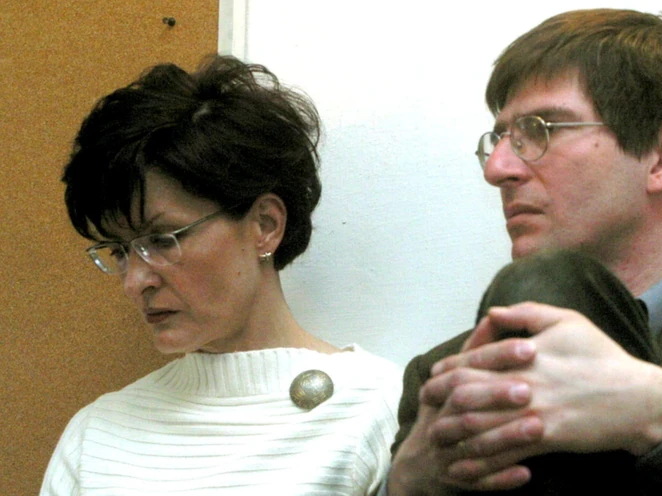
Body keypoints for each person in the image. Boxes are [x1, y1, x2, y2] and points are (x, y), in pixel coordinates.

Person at [386, 8, 662, 495]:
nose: (497, 169)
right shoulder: (445, 374)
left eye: (540, 129)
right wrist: (404, 483)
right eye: (500, 139)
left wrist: (660, 412)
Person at [41, 55, 401, 496]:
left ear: (265, 224)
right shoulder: (96, 437)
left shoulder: (375, 410)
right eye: (119, 251)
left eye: (161, 239)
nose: (135, 282)